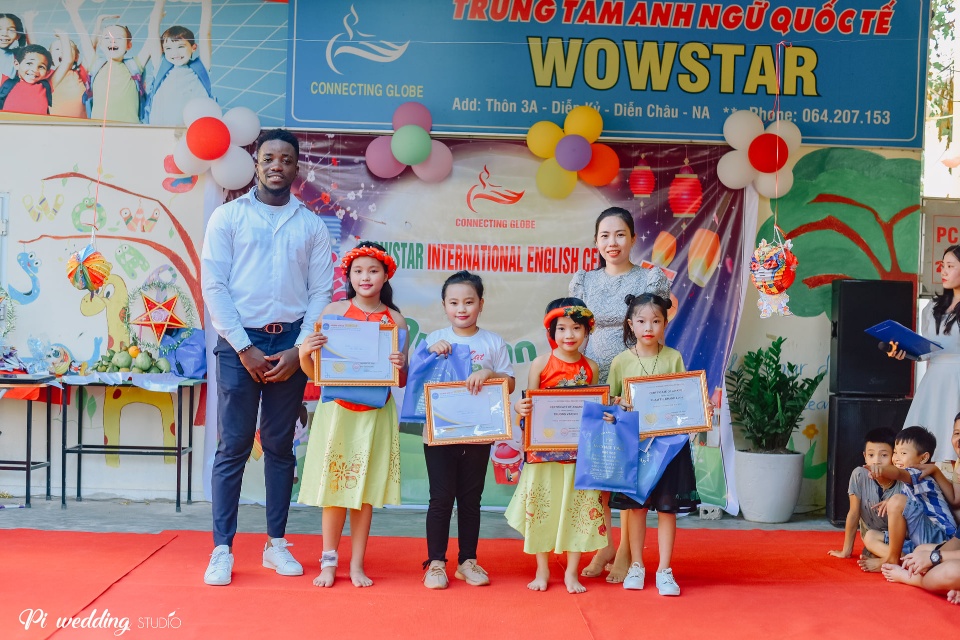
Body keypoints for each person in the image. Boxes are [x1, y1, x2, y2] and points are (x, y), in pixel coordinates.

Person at [200, 128, 334, 586]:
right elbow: (214, 286)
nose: (277, 165)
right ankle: (222, 549)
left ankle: (276, 544)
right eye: (269, 157)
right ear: (256, 163)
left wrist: (299, 350)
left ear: (297, 168)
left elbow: (321, 292)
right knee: (233, 446)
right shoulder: (228, 217)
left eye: (287, 159)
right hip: (239, 344)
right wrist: (245, 348)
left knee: (279, 447)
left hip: (292, 344)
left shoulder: (311, 225)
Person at [297, 241, 409, 589]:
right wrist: (304, 352)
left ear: (386, 275)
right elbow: (316, 374)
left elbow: (400, 380)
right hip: (337, 414)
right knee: (335, 490)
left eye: (373, 270)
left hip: (376, 414)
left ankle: (358, 564)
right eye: (358, 271)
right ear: (348, 275)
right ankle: (329, 562)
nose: (365, 277)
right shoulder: (332, 312)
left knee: (364, 492)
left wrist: (401, 365)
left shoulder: (395, 320)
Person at [569, 206, 669, 582]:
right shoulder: (584, 281)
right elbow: (574, 333)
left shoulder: (650, 278)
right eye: (605, 236)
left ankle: (628, 550)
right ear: (596, 241)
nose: (612, 243)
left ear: (633, 238)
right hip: (595, 379)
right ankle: (606, 544)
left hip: (635, 379)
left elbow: (654, 327)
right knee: (601, 465)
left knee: (629, 466)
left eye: (620, 234)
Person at [421, 271, 516, 589]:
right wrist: (429, 355)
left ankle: (467, 561)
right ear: (444, 306)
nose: (461, 309)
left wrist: (489, 373)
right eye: (454, 303)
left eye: (468, 302)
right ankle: (436, 563)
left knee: (471, 498)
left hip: (478, 432)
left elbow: (509, 383)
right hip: (440, 432)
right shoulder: (433, 339)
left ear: (481, 304)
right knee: (440, 498)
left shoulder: (493, 342)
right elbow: (415, 379)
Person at [506, 298, 606, 594]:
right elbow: (529, 404)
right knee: (542, 509)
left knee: (576, 511)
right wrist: (520, 408)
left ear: (587, 331)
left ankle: (572, 572)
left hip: (577, 457)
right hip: (543, 456)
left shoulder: (591, 367)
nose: (569, 335)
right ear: (551, 332)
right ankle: (542, 569)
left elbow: (593, 409)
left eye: (576, 328)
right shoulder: (541, 363)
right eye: (561, 328)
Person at [605, 293, 700, 595]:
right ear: (630, 324)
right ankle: (636, 565)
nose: (649, 328)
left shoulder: (673, 358)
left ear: (665, 324)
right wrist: (617, 405)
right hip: (635, 447)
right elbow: (611, 402)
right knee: (637, 508)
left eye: (656, 321)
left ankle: (665, 570)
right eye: (642, 321)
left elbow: (684, 396)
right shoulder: (621, 361)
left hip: (669, 448)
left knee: (667, 509)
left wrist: (700, 408)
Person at [882, 415, 960, 603]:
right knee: (919, 551)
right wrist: (931, 556)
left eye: (902, 453)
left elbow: (899, 473)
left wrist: (935, 558)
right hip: (951, 543)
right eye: (957, 433)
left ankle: (913, 577)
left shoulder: (915, 473)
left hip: (946, 543)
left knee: (951, 571)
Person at [858, 426, 957, 572]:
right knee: (870, 536)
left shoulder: (919, 474)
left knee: (897, 500)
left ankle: (892, 559)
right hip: (919, 540)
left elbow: (898, 473)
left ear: (923, 458)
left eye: (903, 453)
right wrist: (890, 502)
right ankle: (902, 558)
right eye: (895, 452)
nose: (896, 457)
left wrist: (881, 470)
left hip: (941, 538)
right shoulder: (908, 483)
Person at [900, 245, 960, 464]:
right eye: (942, 266)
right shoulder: (933, 306)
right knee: (923, 441)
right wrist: (906, 352)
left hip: (957, 380)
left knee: (952, 439)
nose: (943, 271)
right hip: (933, 381)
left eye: (950, 266)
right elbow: (925, 351)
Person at [65, 0, 163, 123]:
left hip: (129, 128)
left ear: (129, 45)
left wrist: (159, 5)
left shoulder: (134, 65)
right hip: (99, 128)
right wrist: (73, 12)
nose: (113, 40)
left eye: (119, 38)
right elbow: (83, 36)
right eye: (107, 38)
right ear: (101, 45)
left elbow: (152, 34)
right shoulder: (96, 64)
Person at [827, 427, 901, 562]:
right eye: (871, 455)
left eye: (884, 455)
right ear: (865, 456)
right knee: (869, 542)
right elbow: (853, 512)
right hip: (874, 538)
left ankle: (897, 557)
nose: (876, 461)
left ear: (894, 456)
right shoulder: (859, 475)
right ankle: (902, 558)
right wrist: (846, 551)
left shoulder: (904, 477)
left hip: (902, 538)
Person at [144, 0, 214, 125]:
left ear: (193, 47)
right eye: (169, 48)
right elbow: (153, 31)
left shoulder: (201, 67)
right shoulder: (161, 66)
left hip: (193, 130)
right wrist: (160, 2)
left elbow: (205, 33)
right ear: (163, 50)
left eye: (181, 47)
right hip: (161, 129)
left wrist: (206, 2)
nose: (175, 53)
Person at [0, 44, 52, 114]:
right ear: (16, 64)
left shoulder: (46, 86)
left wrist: (63, 37)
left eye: (41, 67)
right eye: (29, 63)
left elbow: (66, 62)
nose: (34, 70)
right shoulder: (5, 82)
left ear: (47, 72)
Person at [49, 31, 89, 118]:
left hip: (81, 124)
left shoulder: (80, 73)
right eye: (57, 49)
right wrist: (64, 37)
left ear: (76, 57)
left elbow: (89, 49)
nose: (63, 51)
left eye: (68, 49)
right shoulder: (49, 76)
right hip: (57, 123)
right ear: (50, 57)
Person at [0, 13, 33, 81]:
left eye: (11, 30)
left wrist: (28, 23)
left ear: (18, 35)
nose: (4, 34)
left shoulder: (16, 56)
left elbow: (35, 52)